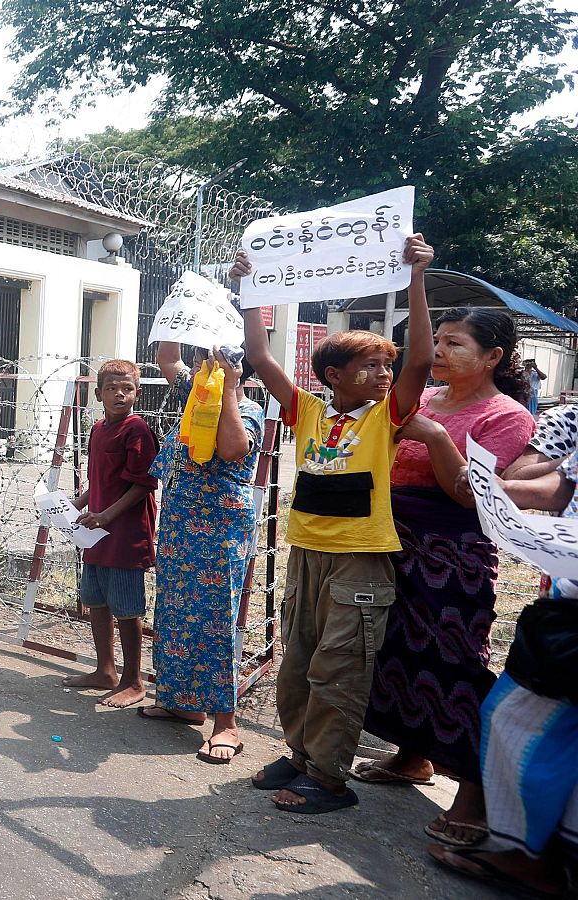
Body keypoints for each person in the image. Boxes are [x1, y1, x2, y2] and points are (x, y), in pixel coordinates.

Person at [238, 233, 435, 814]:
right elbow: (259, 357)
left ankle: (328, 778)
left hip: (360, 559)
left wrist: (417, 276)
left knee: (338, 669)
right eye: (369, 365)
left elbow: (419, 359)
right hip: (307, 553)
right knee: (297, 663)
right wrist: (250, 288)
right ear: (333, 374)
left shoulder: (387, 418)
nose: (382, 373)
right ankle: (298, 756)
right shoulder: (308, 413)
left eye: (385, 365)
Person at [352, 308, 534, 846]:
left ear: (492, 358)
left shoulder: (507, 416)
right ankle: (413, 757)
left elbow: (477, 496)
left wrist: (432, 436)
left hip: (455, 554)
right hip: (397, 544)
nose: (438, 354)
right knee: (397, 654)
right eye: (438, 343)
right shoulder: (427, 398)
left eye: (454, 344)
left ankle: (475, 797)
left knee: (453, 666)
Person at [425, 455, 578, 896]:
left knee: (517, 718)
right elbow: (564, 482)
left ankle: (531, 856)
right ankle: (536, 855)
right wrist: (504, 491)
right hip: (566, 600)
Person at [143, 343, 265, 764]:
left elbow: (232, 450)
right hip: (179, 527)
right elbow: (167, 360)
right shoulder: (195, 396)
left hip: (219, 530)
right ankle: (183, 702)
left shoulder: (246, 408)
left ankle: (226, 724)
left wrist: (228, 387)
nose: (200, 368)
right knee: (175, 612)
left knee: (215, 620)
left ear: (237, 371)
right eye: (199, 362)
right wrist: (177, 315)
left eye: (211, 363)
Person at [64, 359, 159, 708]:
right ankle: (105, 669)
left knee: (127, 608)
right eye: (112, 388)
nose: (120, 394)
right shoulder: (99, 428)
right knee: (97, 600)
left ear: (137, 392)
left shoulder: (137, 431)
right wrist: (77, 503)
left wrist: (106, 516)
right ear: (99, 393)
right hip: (95, 532)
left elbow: (144, 485)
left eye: (127, 388)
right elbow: (98, 480)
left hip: (125, 534)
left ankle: (133, 680)